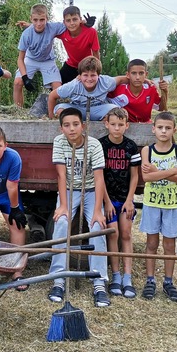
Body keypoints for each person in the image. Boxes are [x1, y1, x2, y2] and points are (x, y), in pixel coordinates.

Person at [47, 107, 111, 307]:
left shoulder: (93, 145)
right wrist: (64, 206)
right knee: (61, 223)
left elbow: (100, 179)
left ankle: (99, 282)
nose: (72, 129)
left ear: (83, 126)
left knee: (97, 227)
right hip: (68, 190)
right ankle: (59, 279)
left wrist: (98, 210)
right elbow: (61, 175)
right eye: (67, 125)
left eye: (76, 124)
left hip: (91, 190)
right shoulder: (59, 142)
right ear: (61, 129)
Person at [139, 112, 177, 301]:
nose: (164, 131)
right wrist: (172, 170)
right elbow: (147, 177)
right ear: (153, 129)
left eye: (168, 128)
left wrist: (158, 171)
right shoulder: (147, 151)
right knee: (151, 243)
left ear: (174, 130)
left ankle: (168, 281)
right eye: (160, 127)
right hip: (152, 203)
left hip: (172, 204)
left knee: (169, 245)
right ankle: (150, 280)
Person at [99, 107, 141, 299]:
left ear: (127, 125)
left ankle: (127, 277)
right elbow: (99, 177)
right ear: (106, 124)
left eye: (120, 125)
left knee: (126, 233)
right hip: (108, 199)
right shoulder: (101, 145)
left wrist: (130, 199)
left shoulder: (131, 147)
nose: (117, 128)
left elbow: (135, 176)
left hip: (125, 200)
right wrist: (106, 202)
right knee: (113, 233)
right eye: (113, 124)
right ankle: (115, 275)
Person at [12, 4, 66, 107]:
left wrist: (84, 23)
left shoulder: (53, 27)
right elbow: (20, 59)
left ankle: (54, 113)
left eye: (42, 20)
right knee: (18, 82)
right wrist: (25, 78)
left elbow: (71, 24)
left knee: (58, 88)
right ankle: (18, 111)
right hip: (31, 59)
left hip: (47, 60)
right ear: (31, 19)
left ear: (47, 19)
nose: (39, 23)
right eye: (35, 20)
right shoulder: (26, 34)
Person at [47, 56, 128, 120]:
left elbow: (120, 80)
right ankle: (75, 126)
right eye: (85, 75)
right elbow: (52, 96)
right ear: (79, 76)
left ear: (99, 75)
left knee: (115, 112)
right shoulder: (73, 85)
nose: (89, 79)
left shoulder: (106, 81)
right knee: (60, 110)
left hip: (98, 108)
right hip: (77, 109)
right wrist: (51, 117)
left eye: (93, 75)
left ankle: (101, 133)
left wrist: (137, 80)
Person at [57, 6, 100, 84]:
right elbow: (46, 30)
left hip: (87, 66)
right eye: (68, 20)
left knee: (87, 88)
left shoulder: (91, 32)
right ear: (64, 22)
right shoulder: (62, 32)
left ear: (80, 19)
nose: (72, 23)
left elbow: (96, 54)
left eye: (75, 19)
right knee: (56, 83)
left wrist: (96, 71)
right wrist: (32, 26)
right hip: (71, 65)